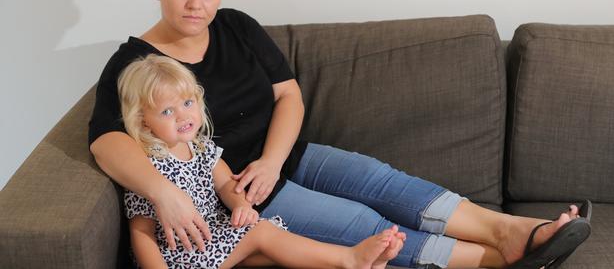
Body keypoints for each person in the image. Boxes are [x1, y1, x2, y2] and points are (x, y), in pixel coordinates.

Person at [89, 0, 591, 268]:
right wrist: (164, 192)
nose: (197, 5)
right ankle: (498, 258)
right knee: (364, 225)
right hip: (240, 189)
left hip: (286, 156)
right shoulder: (135, 64)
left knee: (387, 183)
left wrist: (272, 159)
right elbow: (107, 141)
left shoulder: (237, 27)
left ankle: (512, 229)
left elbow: (288, 95)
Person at [117, 54, 405, 268]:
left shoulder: (200, 146)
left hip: (214, 237)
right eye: (168, 111)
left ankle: (362, 264)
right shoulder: (148, 165)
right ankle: (350, 259)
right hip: (181, 256)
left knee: (273, 247)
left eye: (187, 103)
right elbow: (141, 231)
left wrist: (241, 206)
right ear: (143, 121)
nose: (182, 116)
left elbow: (226, 184)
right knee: (262, 233)